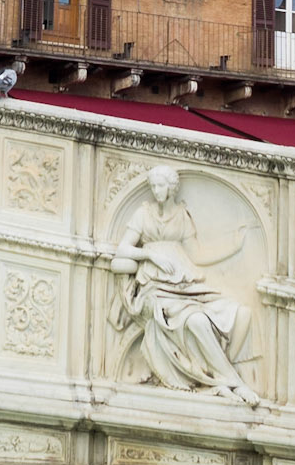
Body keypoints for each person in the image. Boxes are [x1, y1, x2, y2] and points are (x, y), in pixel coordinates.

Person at [109, 165, 258, 403]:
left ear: (171, 188)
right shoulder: (143, 214)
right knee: (197, 320)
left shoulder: (181, 215)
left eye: (161, 186)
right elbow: (123, 248)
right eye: (153, 186)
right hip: (154, 289)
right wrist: (150, 255)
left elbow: (197, 254)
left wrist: (233, 245)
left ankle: (218, 378)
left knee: (239, 313)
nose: (156, 191)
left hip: (185, 286)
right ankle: (232, 382)